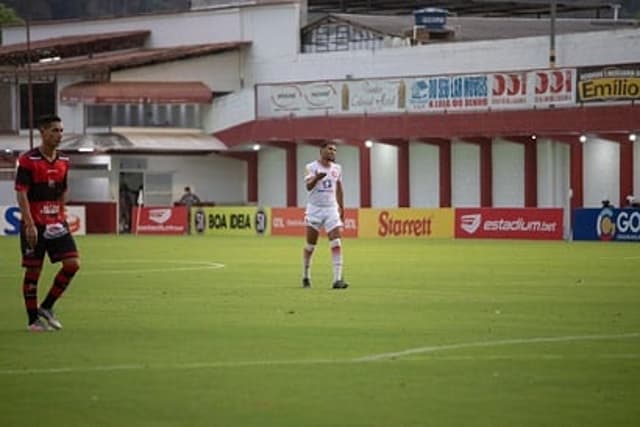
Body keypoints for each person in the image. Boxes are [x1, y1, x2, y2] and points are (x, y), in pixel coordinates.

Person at [14, 114, 80, 332]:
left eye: (61, 131)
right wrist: (29, 224)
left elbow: (63, 189)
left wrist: (61, 212)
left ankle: (47, 307)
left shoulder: (64, 161)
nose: (59, 135)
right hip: (35, 223)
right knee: (34, 271)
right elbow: (21, 193)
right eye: (54, 131)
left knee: (72, 264)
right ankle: (33, 319)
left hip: (56, 223)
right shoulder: (28, 160)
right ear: (43, 132)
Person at [302, 142, 348, 289]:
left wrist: (342, 208)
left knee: (336, 242)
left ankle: (337, 279)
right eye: (330, 149)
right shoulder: (311, 167)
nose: (332, 151)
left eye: (334, 150)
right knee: (310, 245)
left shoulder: (337, 168)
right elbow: (308, 186)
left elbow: (339, 189)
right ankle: (306, 275)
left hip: (331, 209)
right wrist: (317, 178)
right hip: (314, 209)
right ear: (321, 150)